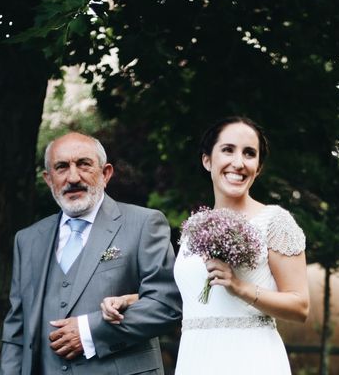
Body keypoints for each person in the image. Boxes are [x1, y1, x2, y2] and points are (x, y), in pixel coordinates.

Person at [102, 116, 310, 374]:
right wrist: (132, 300)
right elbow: (189, 297)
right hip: (196, 358)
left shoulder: (275, 221)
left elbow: (300, 306)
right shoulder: (195, 227)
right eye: (228, 150)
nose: (238, 162)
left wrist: (240, 287)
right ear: (207, 160)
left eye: (249, 153)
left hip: (252, 358)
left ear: (258, 167)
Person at [0, 132, 182, 374]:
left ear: (105, 173)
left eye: (84, 164)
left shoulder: (144, 224)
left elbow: (166, 305)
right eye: (62, 167)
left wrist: (89, 331)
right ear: (48, 179)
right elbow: (16, 332)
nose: (73, 177)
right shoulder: (28, 239)